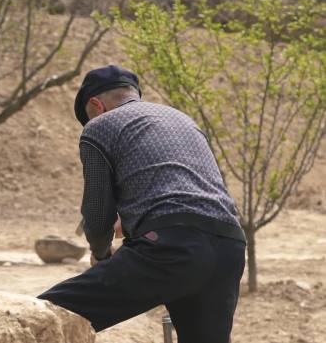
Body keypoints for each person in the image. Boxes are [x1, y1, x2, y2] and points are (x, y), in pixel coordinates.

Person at [38, 65, 246, 343]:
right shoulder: (184, 120)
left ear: (95, 105)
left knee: (45, 316)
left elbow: (98, 213)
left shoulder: (99, 126)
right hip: (229, 247)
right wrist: (139, 219)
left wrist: (100, 255)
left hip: (171, 248)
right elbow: (192, 189)